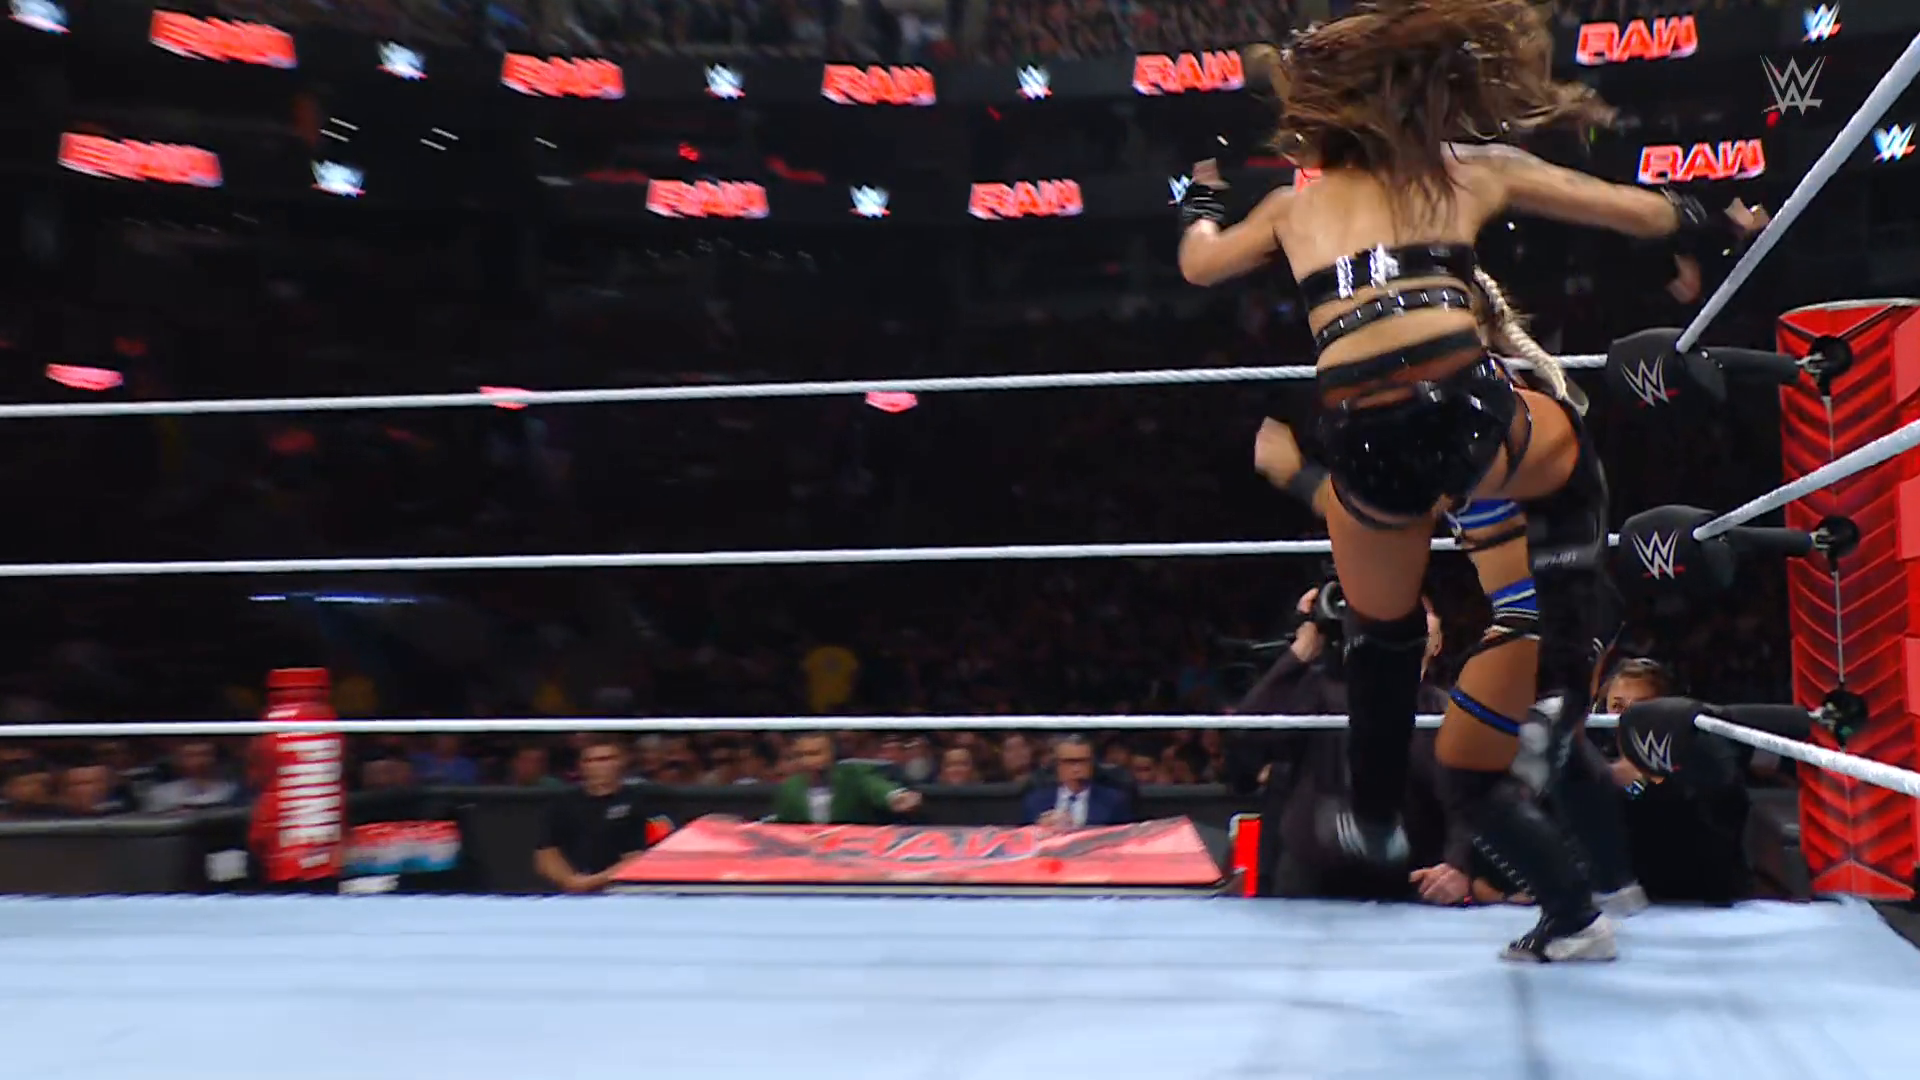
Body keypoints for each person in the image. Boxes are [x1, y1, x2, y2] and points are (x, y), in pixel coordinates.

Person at [1174, 0, 1764, 960]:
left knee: (1383, 635)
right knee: (1565, 444)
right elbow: (1634, 208)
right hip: (1466, 418)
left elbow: (1200, 265)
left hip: (1361, 439)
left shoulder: (1289, 208)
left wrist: (1200, 196)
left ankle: (1377, 809)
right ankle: (1563, 700)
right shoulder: (1465, 172)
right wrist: (1719, 222)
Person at [534, 734, 652, 894]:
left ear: (623, 762)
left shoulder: (640, 801)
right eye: (590, 761)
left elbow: (640, 856)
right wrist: (570, 881)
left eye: (605, 759)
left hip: (624, 891)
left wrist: (593, 882)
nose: (598, 766)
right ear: (580, 766)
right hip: (572, 891)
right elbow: (546, 852)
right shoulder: (563, 803)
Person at [768, 731, 924, 824]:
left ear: (832, 754)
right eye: (800, 755)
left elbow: (875, 787)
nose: (806, 761)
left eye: (814, 754)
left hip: (854, 853)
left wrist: (895, 797)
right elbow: (785, 823)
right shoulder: (791, 786)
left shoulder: (852, 775)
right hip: (809, 856)